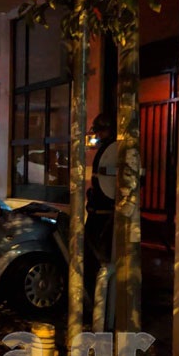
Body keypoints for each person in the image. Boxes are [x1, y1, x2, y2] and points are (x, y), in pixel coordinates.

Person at [84, 114, 116, 296]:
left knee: (96, 251)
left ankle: (98, 292)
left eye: (99, 131)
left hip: (103, 210)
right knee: (92, 249)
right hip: (99, 207)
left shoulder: (112, 149)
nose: (97, 135)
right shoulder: (107, 149)